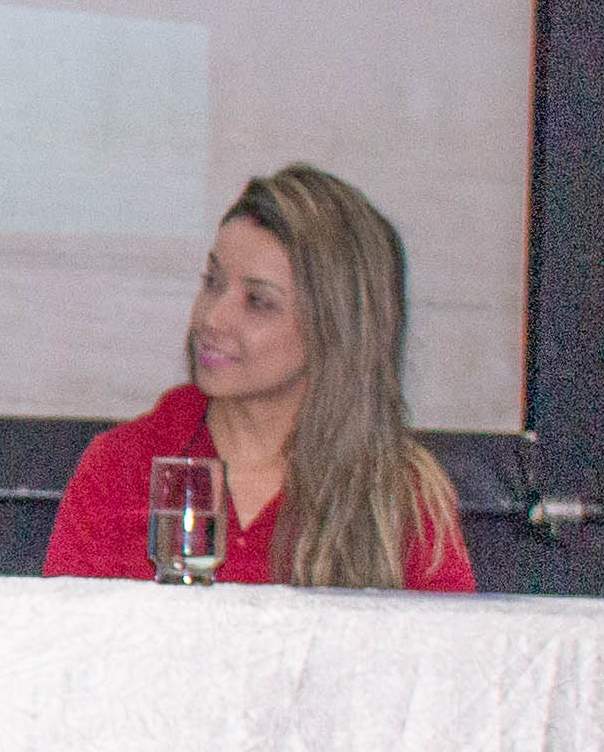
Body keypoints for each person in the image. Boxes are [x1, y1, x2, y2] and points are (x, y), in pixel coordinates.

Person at [44, 162, 476, 590]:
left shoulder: (398, 497)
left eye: (258, 301)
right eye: (212, 282)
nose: (212, 318)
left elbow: (446, 657)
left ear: (337, 328)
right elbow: (69, 650)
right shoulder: (121, 466)